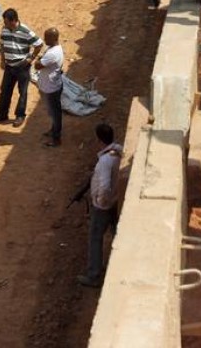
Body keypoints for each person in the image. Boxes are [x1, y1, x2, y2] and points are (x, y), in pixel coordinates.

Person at [77, 123, 123, 288]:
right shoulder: (118, 152)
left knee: (95, 238)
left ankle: (94, 275)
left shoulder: (104, 161)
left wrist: (100, 202)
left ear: (99, 140)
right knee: (117, 233)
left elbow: (103, 185)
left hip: (104, 205)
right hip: (116, 200)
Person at [0, 8, 44, 127]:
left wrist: (31, 58)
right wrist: (2, 60)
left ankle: (20, 116)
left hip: (22, 67)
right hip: (9, 67)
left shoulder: (25, 30)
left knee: (22, 92)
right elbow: (2, 45)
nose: (5, 25)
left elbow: (39, 44)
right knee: (4, 91)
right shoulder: (5, 30)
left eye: (7, 22)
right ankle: (2, 114)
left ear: (14, 20)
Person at [35, 28, 65, 146]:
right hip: (52, 85)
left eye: (47, 37)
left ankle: (56, 139)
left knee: (55, 113)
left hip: (51, 88)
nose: (45, 39)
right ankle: (53, 131)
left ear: (54, 38)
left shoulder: (52, 53)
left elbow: (37, 66)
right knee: (54, 112)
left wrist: (39, 59)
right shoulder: (55, 48)